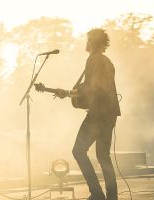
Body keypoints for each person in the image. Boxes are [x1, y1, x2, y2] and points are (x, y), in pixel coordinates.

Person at [55, 29, 121, 200]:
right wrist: (73, 93)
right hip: (110, 114)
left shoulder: (93, 60)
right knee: (103, 156)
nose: (86, 43)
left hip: (98, 115)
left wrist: (69, 93)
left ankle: (97, 194)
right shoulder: (107, 61)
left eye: (87, 40)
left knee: (78, 151)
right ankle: (112, 196)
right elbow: (95, 87)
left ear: (92, 42)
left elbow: (91, 87)